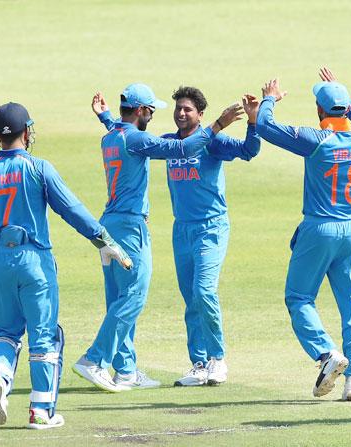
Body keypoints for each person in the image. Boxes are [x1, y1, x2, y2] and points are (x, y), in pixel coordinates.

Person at [0, 102, 131, 429]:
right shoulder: (39, 168)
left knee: (5, 331)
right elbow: (71, 208)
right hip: (35, 261)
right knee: (46, 336)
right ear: (28, 132)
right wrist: (103, 240)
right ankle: (40, 411)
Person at [73, 83, 243, 392]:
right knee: (133, 297)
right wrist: (218, 124)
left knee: (117, 300)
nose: (154, 117)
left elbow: (122, 129)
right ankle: (93, 359)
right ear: (140, 111)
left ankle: (125, 371)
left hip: (109, 225)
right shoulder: (137, 139)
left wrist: (106, 117)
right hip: (131, 228)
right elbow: (183, 148)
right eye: (151, 111)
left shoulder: (111, 136)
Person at [255, 68, 351, 400]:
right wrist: (344, 98)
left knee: (298, 297)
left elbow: (265, 126)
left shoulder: (315, 140)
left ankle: (326, 353)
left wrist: (269, 99)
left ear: (320, 111)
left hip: (319, 228)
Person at [159, 86, 260, 386]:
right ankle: (199, 363)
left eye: (188, 109)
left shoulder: (213, 143)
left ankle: (218, 359)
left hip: (211, 227)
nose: (181, 113)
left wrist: (253, 123)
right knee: (190, 298)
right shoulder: (167, 143)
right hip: (182, 230)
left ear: (200, 115)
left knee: (204, 291)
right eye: (178, 108)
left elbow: (248, 151)